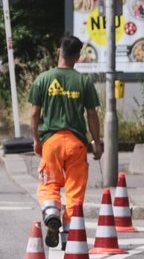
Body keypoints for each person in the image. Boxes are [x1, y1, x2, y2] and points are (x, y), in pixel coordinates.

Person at [28, 34, 103, 248]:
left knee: (49, 184)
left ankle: (52, 214)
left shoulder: (43, 79)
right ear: (78, 57)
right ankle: (69, 238)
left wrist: (36, 139)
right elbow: (91, 115)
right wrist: (97, 142)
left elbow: (34, 113)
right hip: (76, 143)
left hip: (51, 142)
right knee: (74, 190)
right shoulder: (83, 81)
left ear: (58, 51)